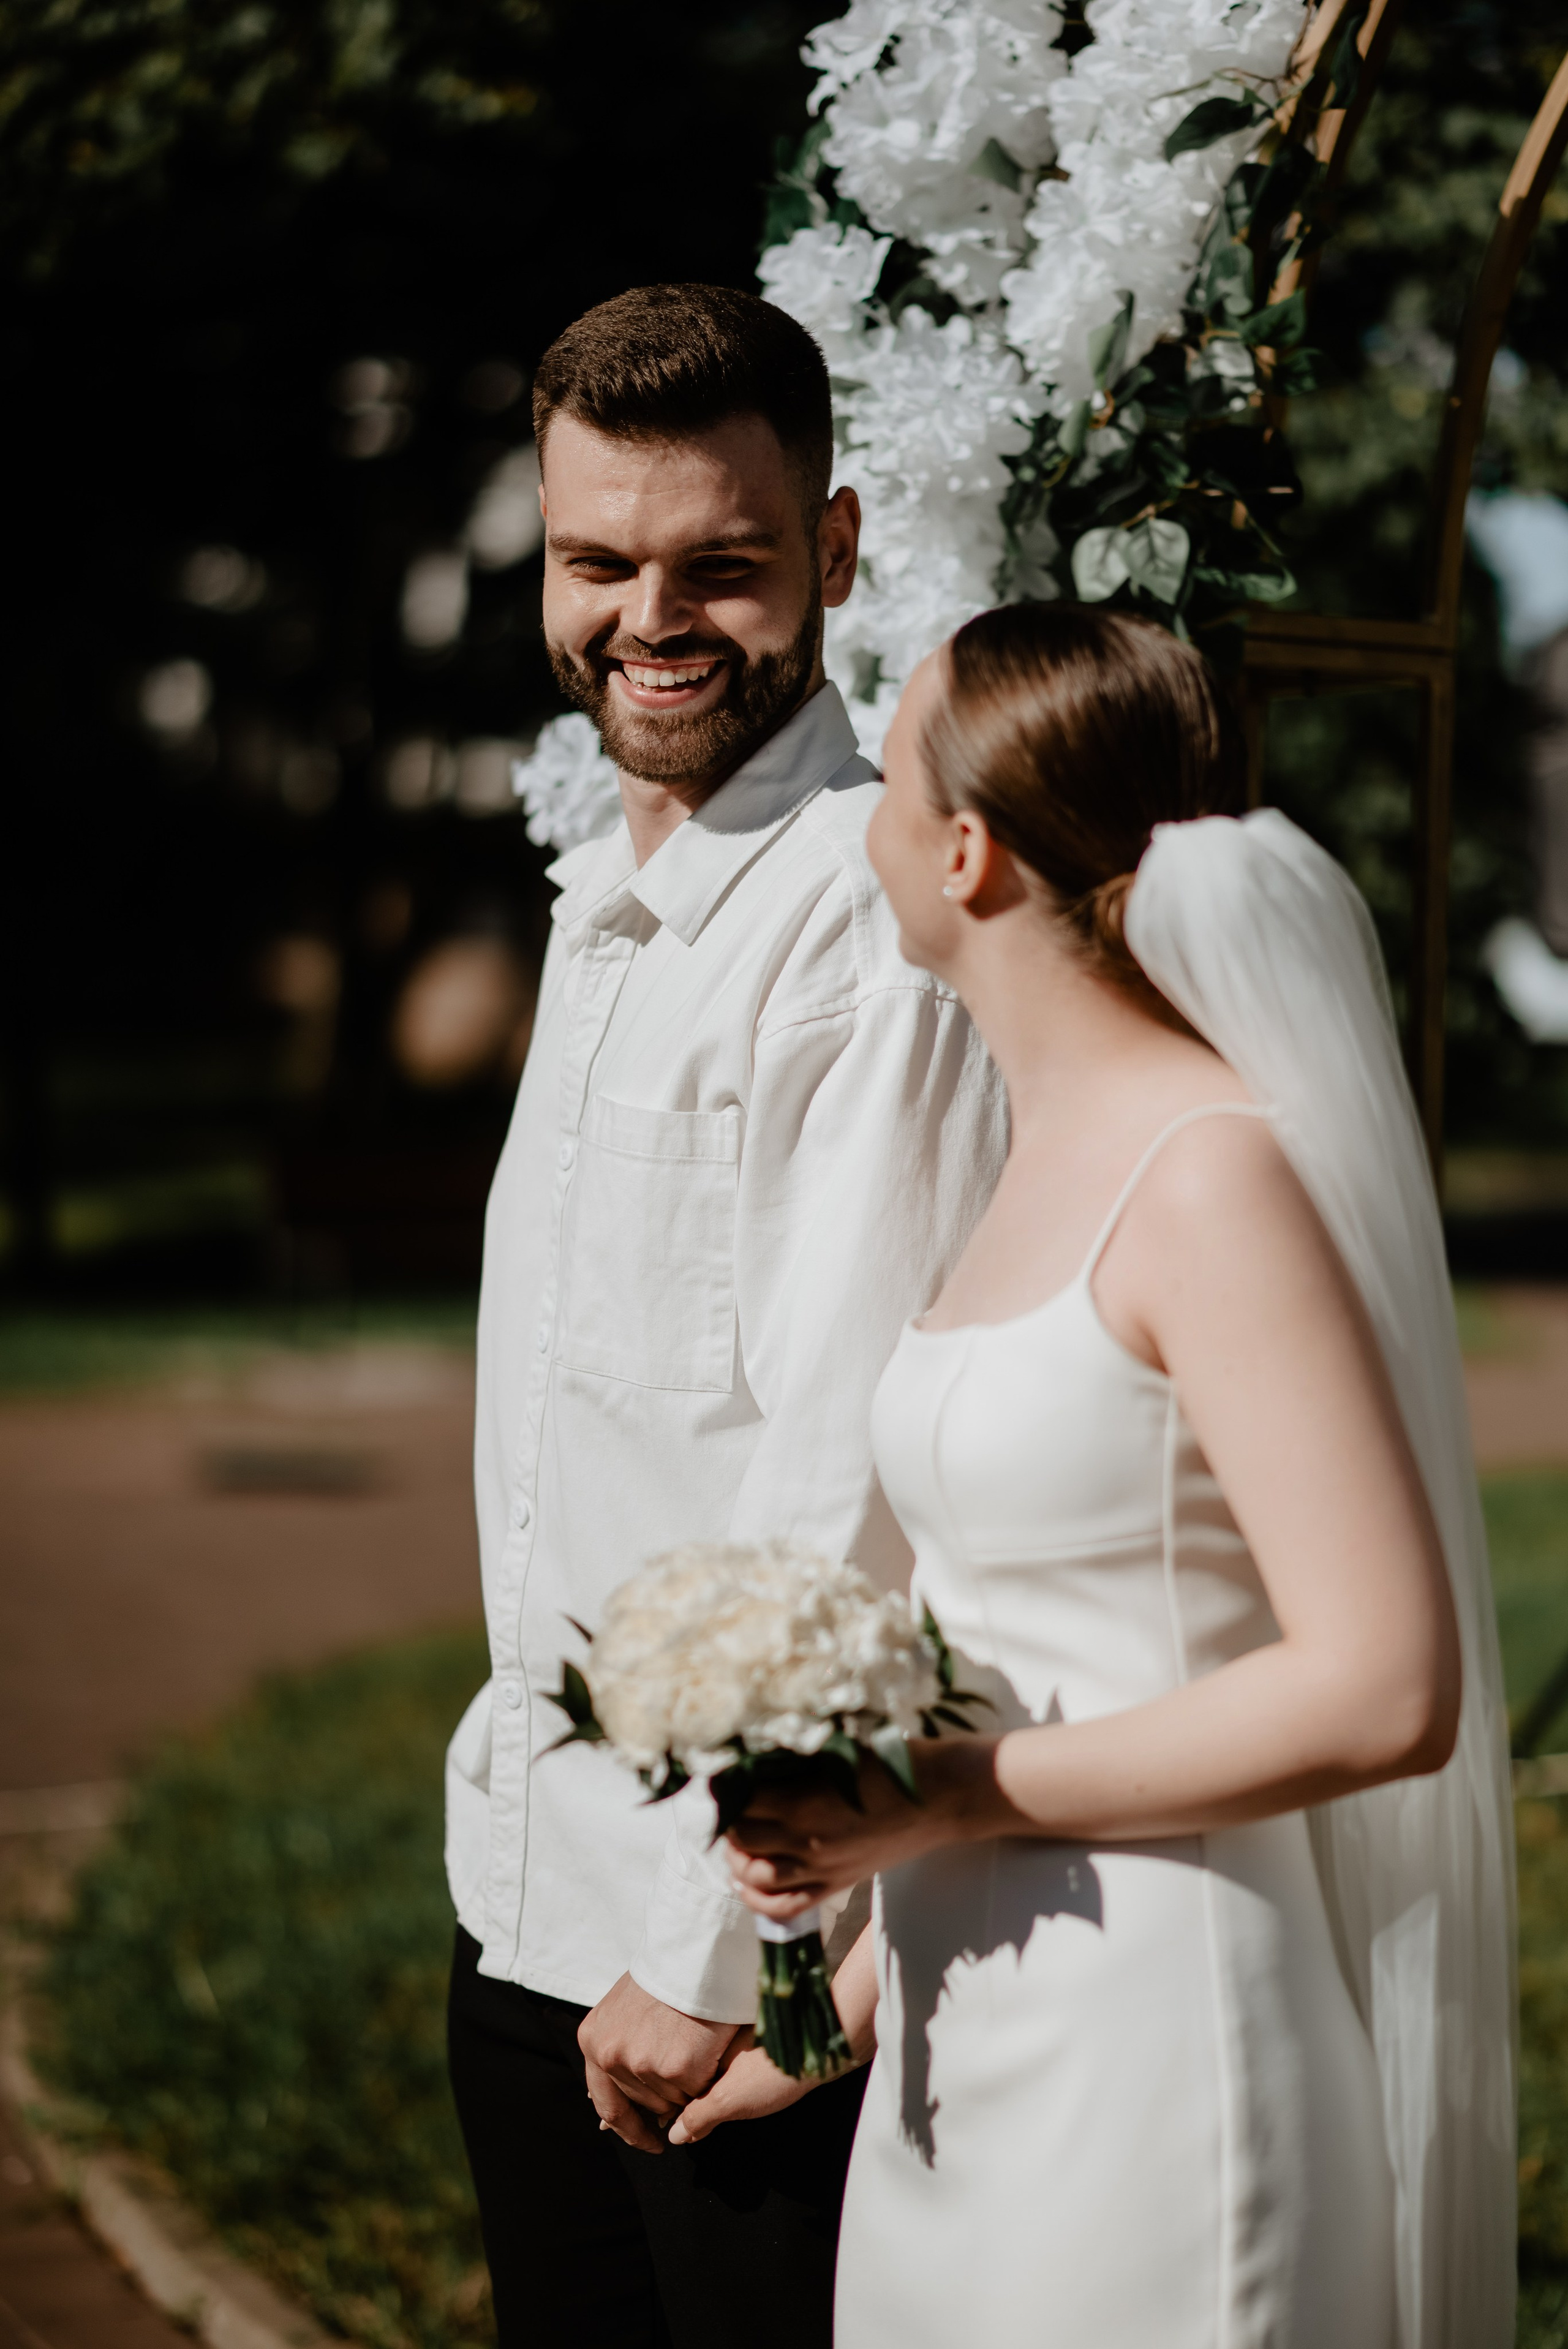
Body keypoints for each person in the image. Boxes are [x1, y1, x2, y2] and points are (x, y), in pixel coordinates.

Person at [688, 604, 1517, 2346]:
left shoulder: (1209, 1174)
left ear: (970, 850)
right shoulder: (1034, 1146)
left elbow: (1390, 1684)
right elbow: (1020, 1615)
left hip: (1163, 2053)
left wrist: (963, 1791)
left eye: (888, 784)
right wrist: (833, 1975)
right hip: (956, 2041)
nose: (862, 827)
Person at [441, 283, 1006, 2349]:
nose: (650, 617)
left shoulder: (865, 933)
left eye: (724, 566)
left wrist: (710, 1953)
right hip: (524, 1890)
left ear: (836, 555)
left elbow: (839, 1477)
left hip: (736, 1968)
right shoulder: (610, 903)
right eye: (599, 560)